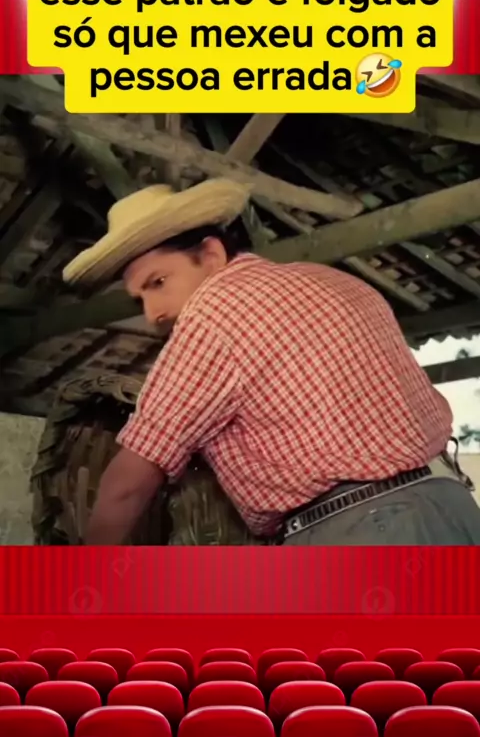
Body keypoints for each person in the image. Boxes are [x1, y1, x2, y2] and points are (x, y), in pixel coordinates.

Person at [63, 178, 480, 546]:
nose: (152, 312)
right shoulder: (334, 280)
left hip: (363, 531)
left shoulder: (214, 312)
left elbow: (130, 481)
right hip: (453, 508)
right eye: (140, 299)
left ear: (211, 255)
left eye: (158, 282)